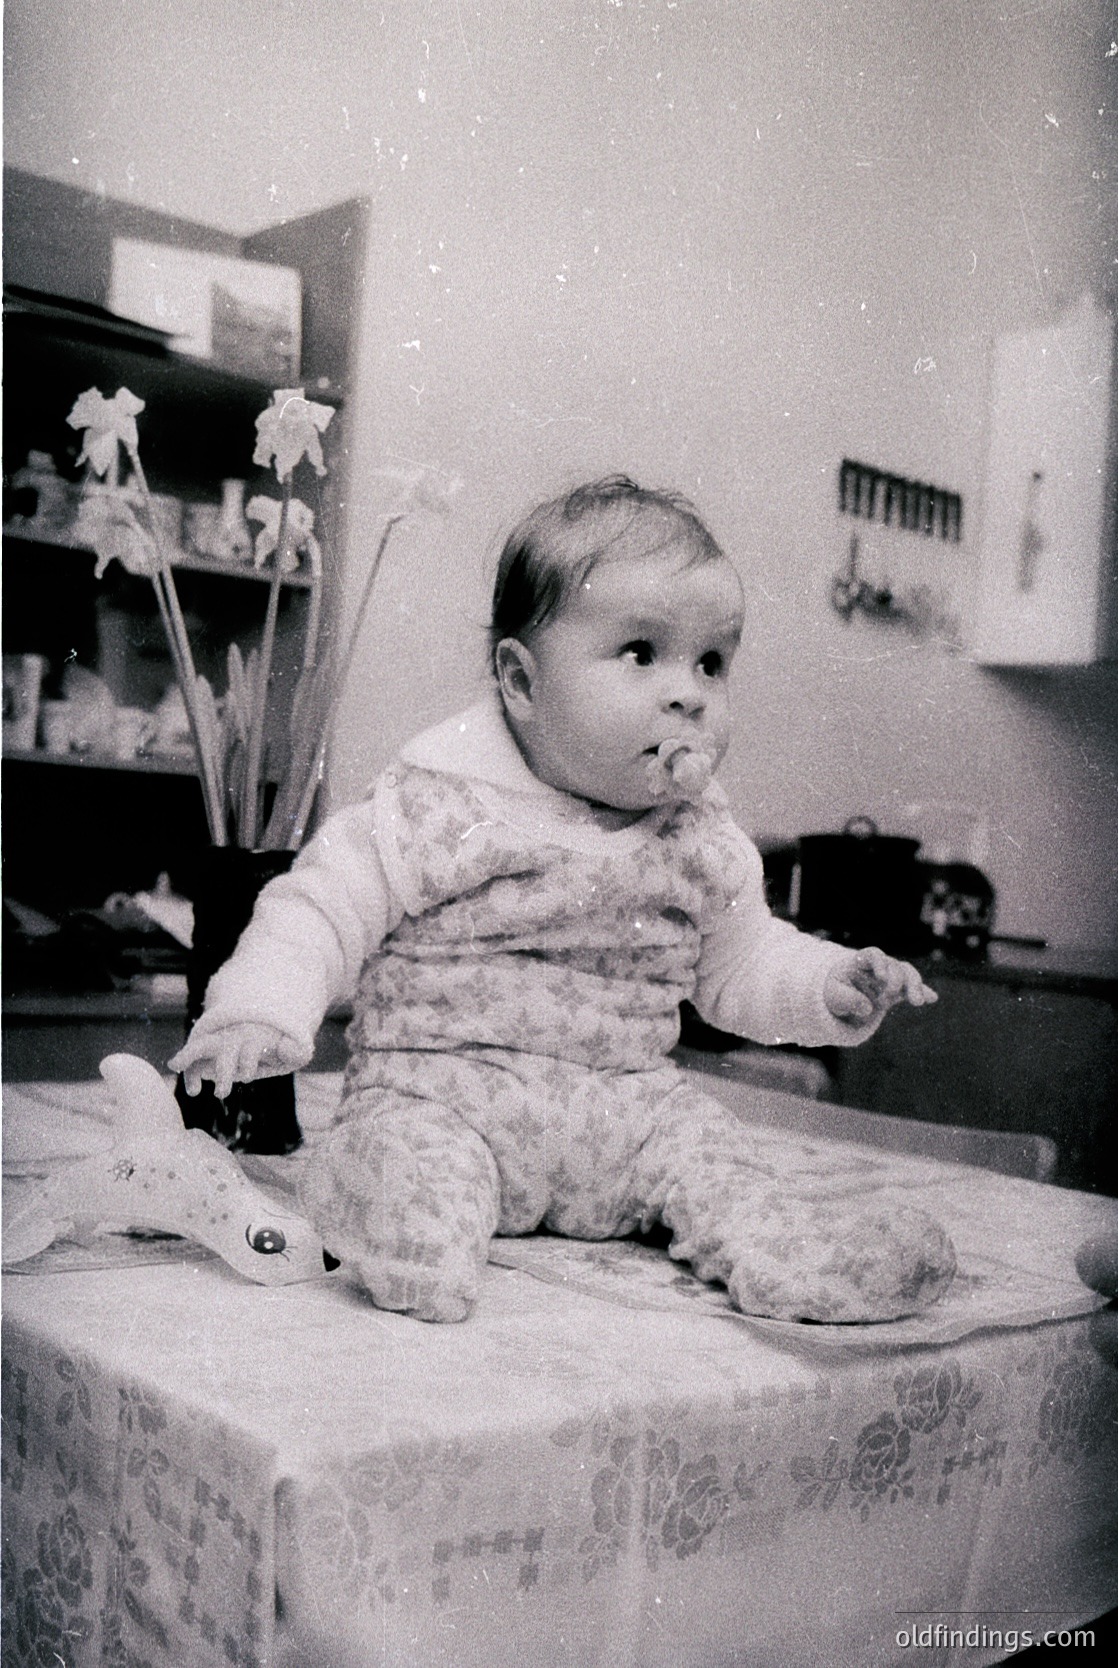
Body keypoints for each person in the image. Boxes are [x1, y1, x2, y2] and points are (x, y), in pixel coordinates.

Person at [171, 476, 954, 1324]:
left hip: (629, 1114)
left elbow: (744, 963)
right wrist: (260, 1007)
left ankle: (805, 1264)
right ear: (521, 680)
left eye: (712, 662)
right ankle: (403, 1229)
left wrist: (828, 983)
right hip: (445, 1094)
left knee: (718, 1154)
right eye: (642, 653)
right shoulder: (440, 805)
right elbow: (316, 911)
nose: (688, 690)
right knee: (405, 1158)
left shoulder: (698, 838)